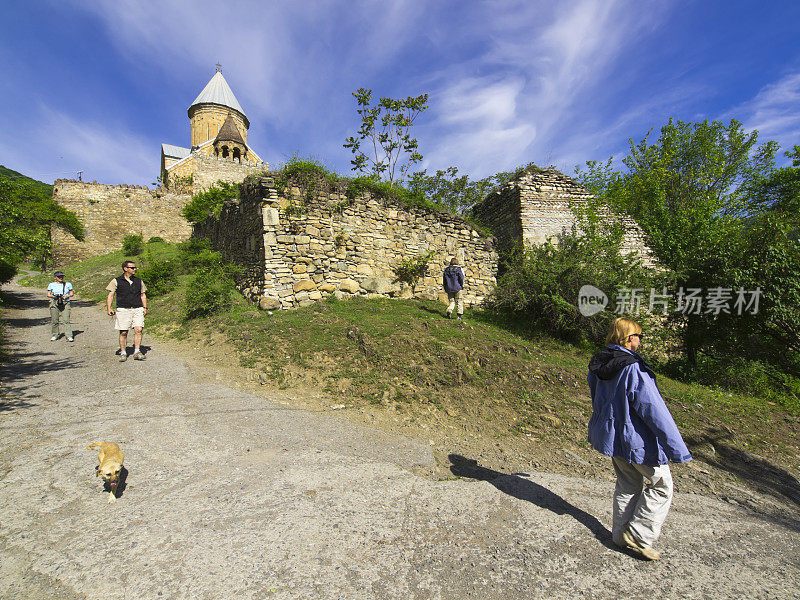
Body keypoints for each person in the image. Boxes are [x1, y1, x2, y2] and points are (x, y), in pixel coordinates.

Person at [587, 317, 691, 561]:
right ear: (628, 337)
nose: (640, 340)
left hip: (612, 437)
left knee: (627, 483)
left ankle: (619, 535)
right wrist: (678, 448)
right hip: (636, 440)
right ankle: (640, 535)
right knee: (662, 485)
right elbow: (654, 409)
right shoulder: (632, 367)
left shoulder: (599, 363)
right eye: (639, 335)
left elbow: (597, 399)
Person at [106, 260, 148, 362]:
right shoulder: (116, 281)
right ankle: (123, 352)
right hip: (123, 309)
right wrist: (109, 308)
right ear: (125, 269)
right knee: (124, 332)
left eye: (135, 267)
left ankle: (137, 351)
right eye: (132, 268)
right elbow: (111, 295)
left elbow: (143, 295)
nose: (135, 269)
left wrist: (145, 307)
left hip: (137, 308)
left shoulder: (139, 281)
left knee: (138, 329)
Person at [46, 271, 74, 341]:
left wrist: (67, 296)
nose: (61, 278)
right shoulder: (51, 285)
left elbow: (71, 293)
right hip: (54, 302)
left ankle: (69, 335)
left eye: (62, 276)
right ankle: (55, 335)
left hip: (65, 302)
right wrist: (54, 296)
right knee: (54, 320)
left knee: (66, 320)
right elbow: (48, 294)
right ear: (55, 277)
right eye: (59, 277)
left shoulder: (68, 284)